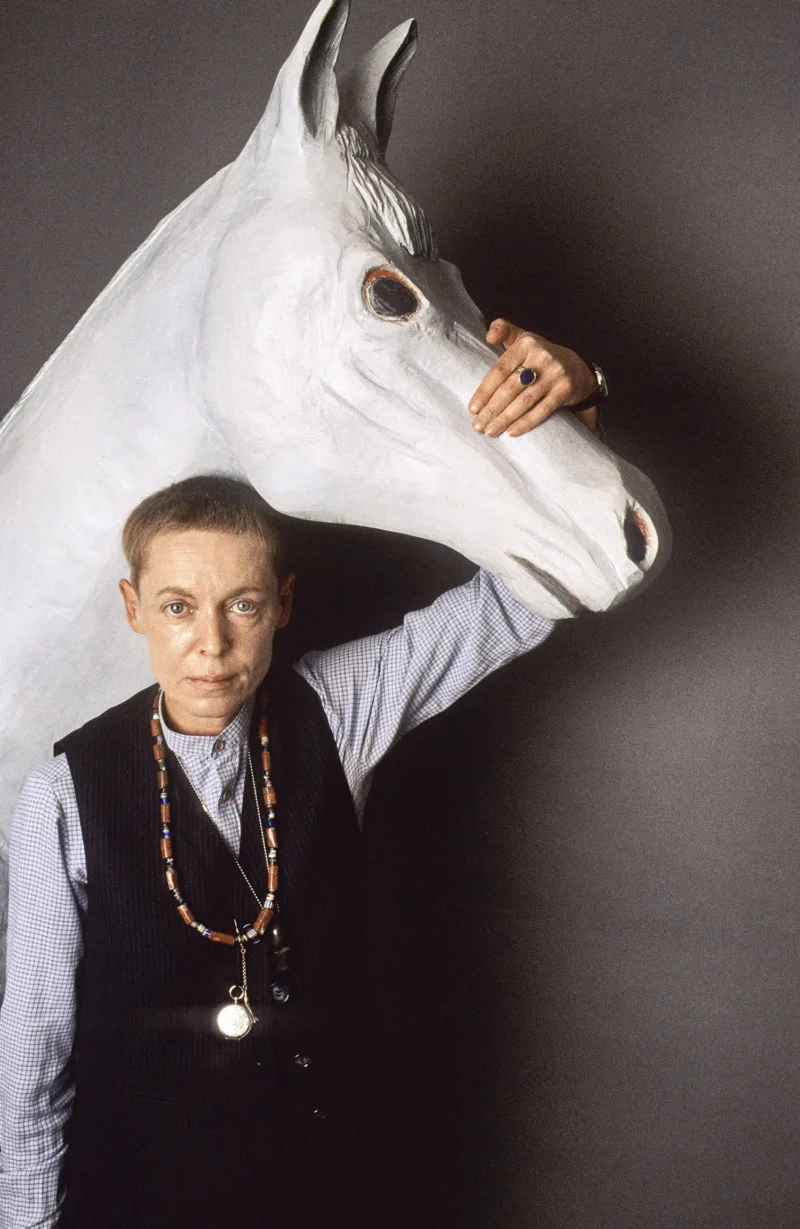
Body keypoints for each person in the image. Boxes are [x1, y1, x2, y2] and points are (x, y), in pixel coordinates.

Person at [0, 322, 606, 1229]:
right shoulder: (60, 796)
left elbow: (533, 590)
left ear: (282, 601)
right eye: (178, 607)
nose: (211, 644)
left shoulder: (337, 704)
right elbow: (31, 1063)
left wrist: (580, 398)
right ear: (135, 609)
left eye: (242, 604)